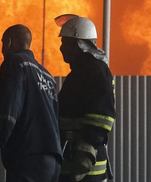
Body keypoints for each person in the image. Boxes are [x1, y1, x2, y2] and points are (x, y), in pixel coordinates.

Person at [0, 24, 61, 182]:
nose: (1, 50)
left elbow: (10, 106)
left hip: (28, 157)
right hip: (53, 161)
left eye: (2, 44)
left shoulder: (15, 62)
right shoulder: (48, 76)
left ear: (9, 42)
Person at [54, 14, 115, 182]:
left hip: (86, 165)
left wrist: (85, 153)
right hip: (72, 157)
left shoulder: (95, 70)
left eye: (64, 43)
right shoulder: (82, 71)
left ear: (78, 44)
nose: (61, 48)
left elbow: (103, 116)